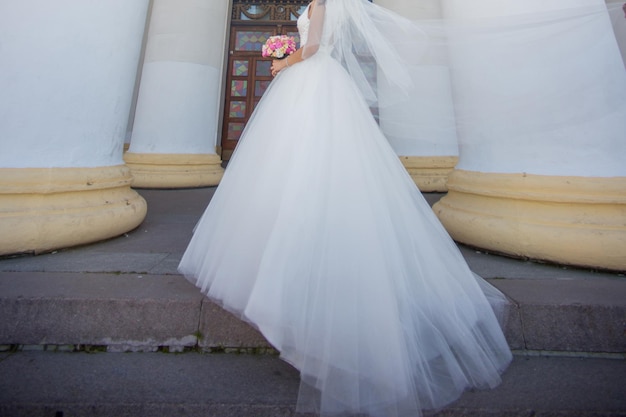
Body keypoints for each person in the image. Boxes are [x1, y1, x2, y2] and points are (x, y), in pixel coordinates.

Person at [179, 0, 512, 416]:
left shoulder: (321, 5)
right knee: (307, 157)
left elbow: (314, 45)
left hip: (311, 79)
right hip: (322, 84)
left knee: (298, 156)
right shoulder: (329, 5)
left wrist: (285, 63)